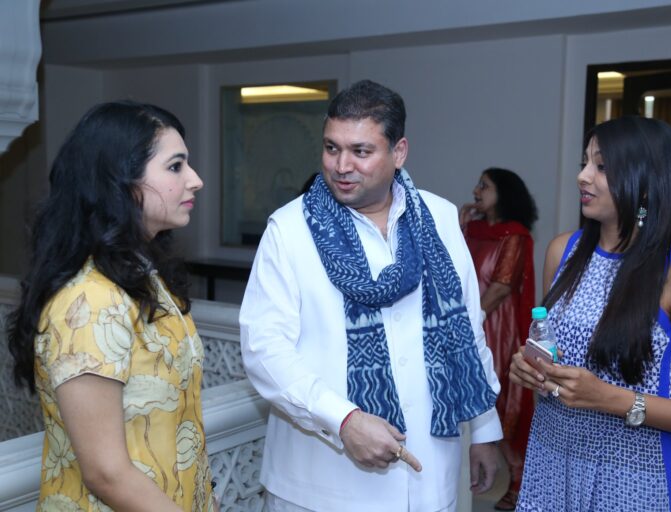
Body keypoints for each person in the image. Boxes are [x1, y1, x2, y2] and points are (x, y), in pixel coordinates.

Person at [240, 79, 503, 512]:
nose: (342, 165)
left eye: (361, 151)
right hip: (320, 483)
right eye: (331, 148)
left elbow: (469, 330)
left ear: (398, 152)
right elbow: (264, 349)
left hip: (428, 474)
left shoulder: (439, 217)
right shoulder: (289, 231)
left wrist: (486, 430)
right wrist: (342, 419)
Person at [509, 116, 671, 511]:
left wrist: (611, 399)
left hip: (634, 474)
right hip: (552, 459)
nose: (583, 176)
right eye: (585, 162)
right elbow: (548, 348)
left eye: (602, 166)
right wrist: (530, 367)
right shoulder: (562, 252)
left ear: (645, 179)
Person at [6, 101, 216, 511]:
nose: (196, 180)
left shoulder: (143, 277)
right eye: (175, 167)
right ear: (120, 182)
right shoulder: (90, 301)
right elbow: (106, 472)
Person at [459, 167, 538, 511]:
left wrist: (472, 318)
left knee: (503, 401)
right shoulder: (473, 230)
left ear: (502, 194)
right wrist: (461, 225)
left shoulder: (515, 235)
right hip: (472, 323)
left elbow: (502, 285)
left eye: (485, 186)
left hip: (497, 328)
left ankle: (519, 479)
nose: (477, 191)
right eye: (477, 184)